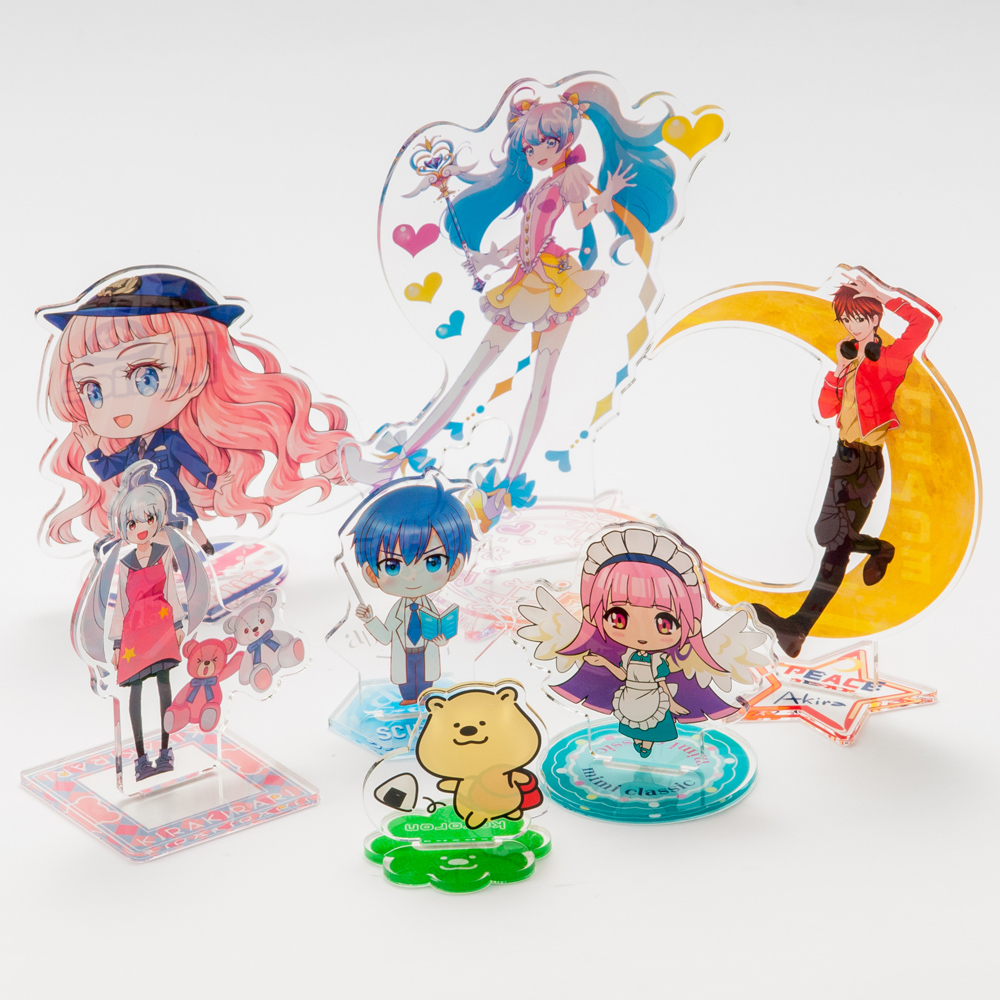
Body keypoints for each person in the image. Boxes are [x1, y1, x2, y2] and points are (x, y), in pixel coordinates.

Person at [347, 80, 679, 522]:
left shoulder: (570, 178)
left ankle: (503, 488)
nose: (537, 152)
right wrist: (489, 258)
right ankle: (396, 461)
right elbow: (526, 238)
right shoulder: (540, 186)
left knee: (539, 385)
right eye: (530, 146)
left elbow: (580, 219)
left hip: (555, 286)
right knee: (470, 375)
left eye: (546, 144)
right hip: (525, 281)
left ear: (565, 141)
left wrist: (607, 195)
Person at [40, 268, 351, 552]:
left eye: (146, 377)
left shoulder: (170, 440)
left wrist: (216, 483)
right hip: (144, 510)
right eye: (92, 390)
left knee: (188, 522)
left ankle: (203, 548)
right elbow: (108, 470)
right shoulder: (132, 450)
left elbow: (194, 464)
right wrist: (92, 450)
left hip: (174, 498)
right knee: (156, 541)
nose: (118, 407)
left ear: (200, 369)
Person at [753, 270, 938, 657]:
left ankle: (797, 629)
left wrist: (882, 294)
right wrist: (837, 371)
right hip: (843, 455)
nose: (853, 326)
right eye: (847, 319)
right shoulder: (849, 364)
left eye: (860, 317)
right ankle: (879, 548)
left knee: (835, 546)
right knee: (826, 534)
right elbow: (826, 409)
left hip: (866, 462)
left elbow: (924, 322)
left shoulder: (890, 360)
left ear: (874, 318)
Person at [518, 525, 765, 756]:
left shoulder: (660, 660)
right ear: (591, 613)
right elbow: (621, 674)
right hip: (631, 696)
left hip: (652, 697)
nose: (641, 634)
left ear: (692, 623)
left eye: (664, 623)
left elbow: (662, 681)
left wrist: (671, 702)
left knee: (653, 724)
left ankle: (648, 743)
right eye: (618, 618)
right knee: (634, 721)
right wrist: (603, 663)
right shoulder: (628, 656)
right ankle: (640, 741)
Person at [74, 462, 212, 781]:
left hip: (162, 628)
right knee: (134, 692)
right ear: (124, 526)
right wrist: (117, 644)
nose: (142, 527)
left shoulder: (165, 552)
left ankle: (165, 750)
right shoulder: (124, 562)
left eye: (149, 519)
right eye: (134, 522)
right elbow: (121, 605)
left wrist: (179, 625)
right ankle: (139, 757)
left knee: (164, 686)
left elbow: (172, 591)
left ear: (158, 519)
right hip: (134, 635)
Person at [349, 479, 473, 705]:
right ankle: (408, 699)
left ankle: (426, 699)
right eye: (392, 566)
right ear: (371, 574)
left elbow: (439, 631)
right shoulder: (399, 611)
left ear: (455, 566)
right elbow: (386, 636)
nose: (412, 577)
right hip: (404, 654)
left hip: (426, 652)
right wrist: (369, 620)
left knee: (426, 679)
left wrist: (441, 640)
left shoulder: (429, 608)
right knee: (406, 682)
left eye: (433, 562)